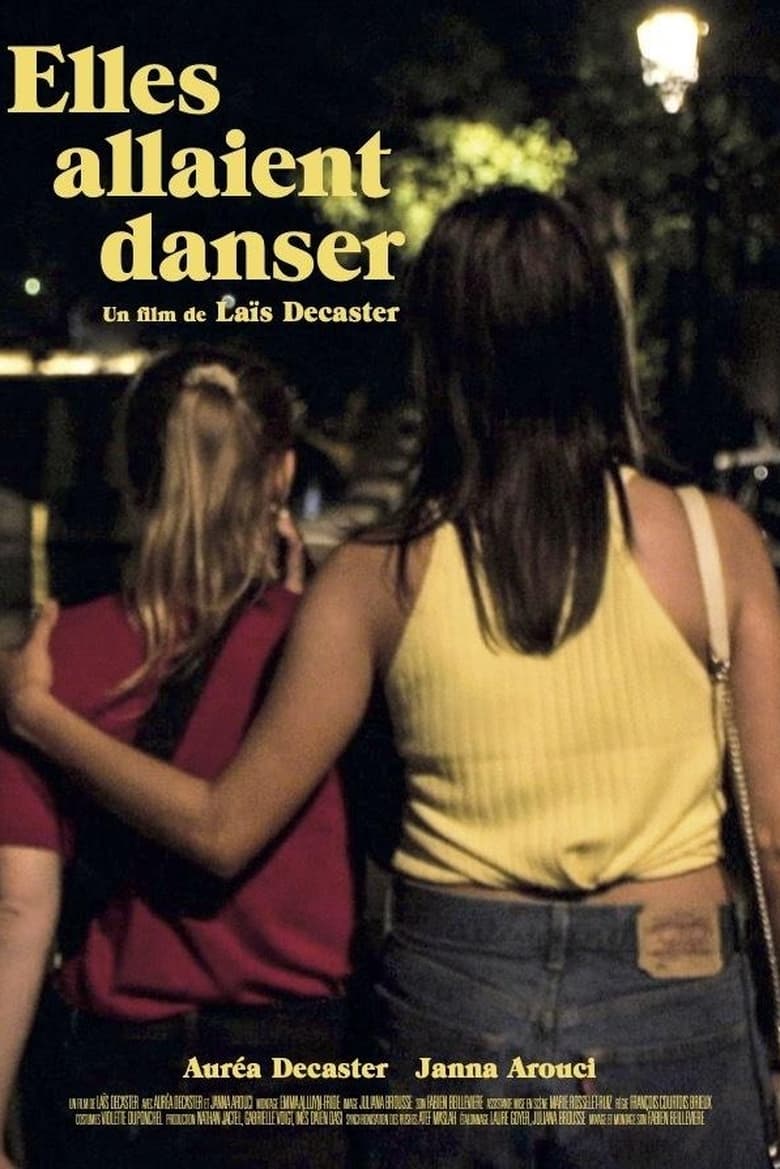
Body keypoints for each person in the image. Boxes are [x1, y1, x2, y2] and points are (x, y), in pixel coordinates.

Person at [3, 187, 780, 1168]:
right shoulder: (718, 542)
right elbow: (771, 833)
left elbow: (226, 823)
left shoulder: (379, 576)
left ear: (437, 357)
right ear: (599, 336)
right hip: (671, 972)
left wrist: (38, 713)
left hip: (459, 989)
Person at [0, 345, 355, 1169]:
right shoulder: (323, 654)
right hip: (287, 1072)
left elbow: (17, 906)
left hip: (113, 1070)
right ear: (281, 474)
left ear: (131, 479)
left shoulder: (54, 657)